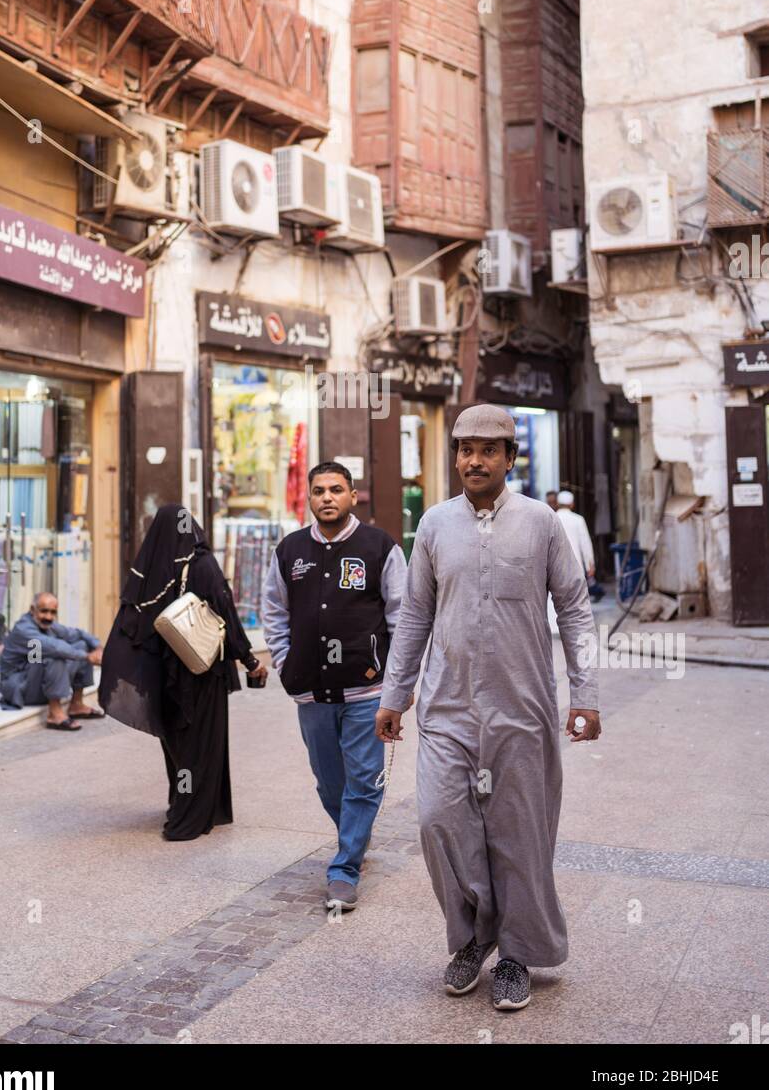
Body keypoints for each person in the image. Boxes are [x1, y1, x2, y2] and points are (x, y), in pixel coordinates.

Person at [375, 404, 601, 1011]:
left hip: (522, 707)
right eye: (464, 449)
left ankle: (519, 954)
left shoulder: (542, 523)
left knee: (519, 835)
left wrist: (586, 696)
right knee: (439, 821)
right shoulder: (433, 525)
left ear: (510, 458)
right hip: (447, 707)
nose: (473, 460)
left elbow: (576, 611)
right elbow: (416, 613)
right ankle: (473, 936)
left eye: (487, 450)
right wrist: (396, 695)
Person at [262, 461, 407, 912]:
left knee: (363, 781)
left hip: (366, 690)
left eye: (336, 490)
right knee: (329, 783)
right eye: (319, 490)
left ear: (353, 496)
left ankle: (344, 867)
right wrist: (286, 663)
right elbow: (273, 610)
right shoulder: (290, 550)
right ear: (309, 497)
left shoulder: (379, 547)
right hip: (311, 690)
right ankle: (355, 839)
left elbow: (403, 617)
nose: (327, 497)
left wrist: (399, 684)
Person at [98, 503, 266, 840]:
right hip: (201, 672)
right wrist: (249, 660)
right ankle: (191, 817)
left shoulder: (148, 571)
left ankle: (185, 803)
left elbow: (132, 625)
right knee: (202, 744)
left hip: (165, 676)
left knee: (178, 745)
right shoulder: (203, 566)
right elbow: (226, 617)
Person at [0, 592, 103, 731]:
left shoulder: (49, 625)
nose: (48, 617)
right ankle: (54, 714)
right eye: (44, 611)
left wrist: (97, 647)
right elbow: (54, 647)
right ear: (32, 609)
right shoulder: (23, 629)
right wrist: (87, 656)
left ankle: (76, 705)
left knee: (82, 645)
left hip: (36, 681)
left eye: (53, 612)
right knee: (55, 655)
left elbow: (77, 633)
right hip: (21, 688)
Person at [555, 490, 596, 582]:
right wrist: (590, 565)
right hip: (575, 565)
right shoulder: (578, 520)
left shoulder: (552, 518)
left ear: (557, 504)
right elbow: (585, 544)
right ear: (572, 504)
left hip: (555, 565)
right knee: (575, 594)